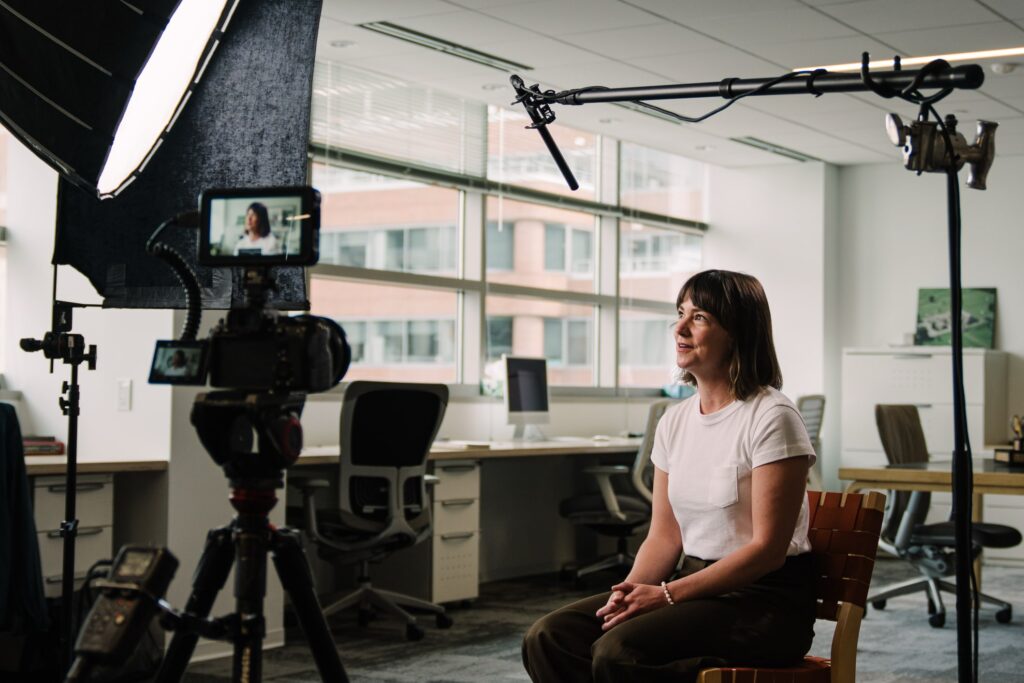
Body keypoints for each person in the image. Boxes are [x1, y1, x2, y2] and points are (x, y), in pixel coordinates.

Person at [522, 269, 816, 683]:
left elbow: (768, 550)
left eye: (699, 317)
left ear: (737, 332)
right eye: (680, 313)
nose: (679, 327)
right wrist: (626, 596)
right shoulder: (674, 421)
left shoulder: (772, 416)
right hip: (692, 584)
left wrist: (665, 595)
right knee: (549, 636)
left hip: (763, 602)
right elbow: (664, 537)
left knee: (619, 652)